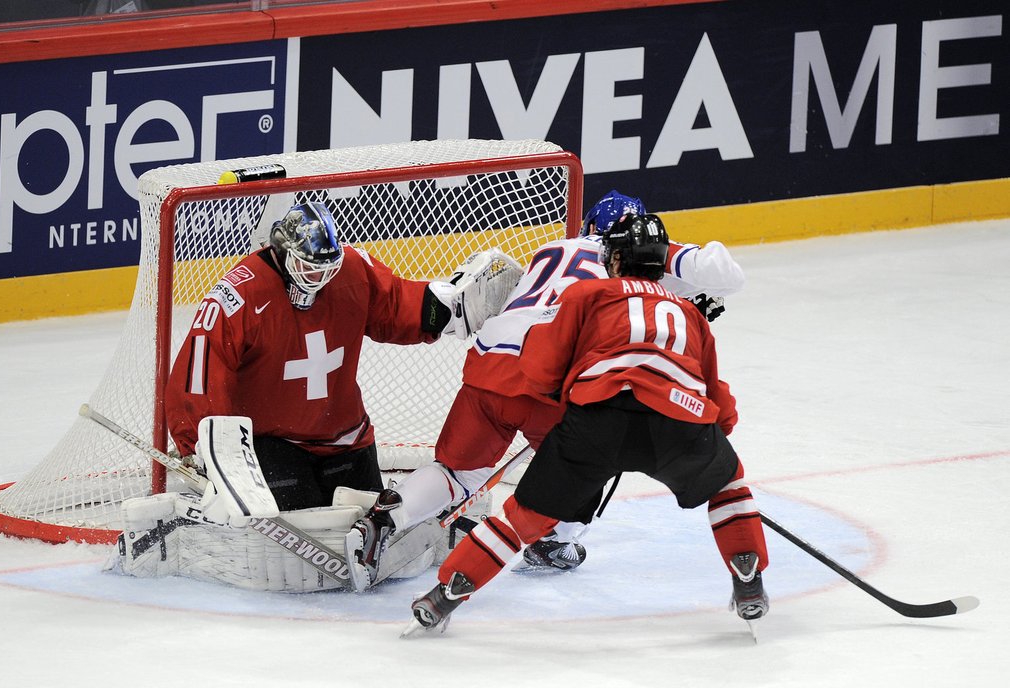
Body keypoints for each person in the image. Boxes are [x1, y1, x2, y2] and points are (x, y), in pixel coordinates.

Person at [103, 201, 523, 594]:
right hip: (272, 444)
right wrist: (206, 451)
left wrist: (445, 308)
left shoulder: (353, 269)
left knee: (369, 527)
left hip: (346, 438)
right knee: (295, 535)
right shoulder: (239, 293)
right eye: (307, 268)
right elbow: (200, 369)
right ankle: (185, 525)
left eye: (326, 269)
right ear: (282, 253)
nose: (318, 280)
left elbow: (396, 304)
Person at [345, 191, 746, 591]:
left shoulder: (551, 249)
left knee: (459, 472)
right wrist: (679, 277)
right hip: (549, 378)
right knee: (595, 459)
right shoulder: (625, 260)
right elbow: (724, 277)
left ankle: (384, 518)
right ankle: (555, 542)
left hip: (489, 367)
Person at [403, 212, 770, 637]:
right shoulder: (688, 312)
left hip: (598, 422)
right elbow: (717, 400)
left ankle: (448, 591)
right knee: (729, 486)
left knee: (522, 518)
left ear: (613, 259)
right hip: (677, 418)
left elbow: (541, 368)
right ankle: (748, 576)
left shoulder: (586, 295)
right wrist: (709, 452)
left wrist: (576, 400)